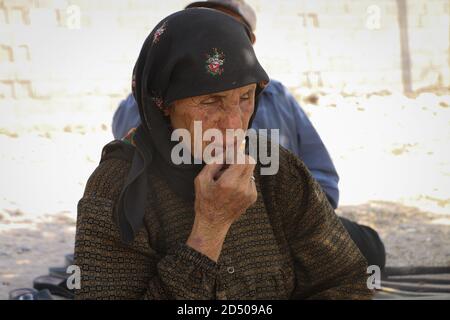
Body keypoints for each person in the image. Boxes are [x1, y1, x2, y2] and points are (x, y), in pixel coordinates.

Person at [74, 8, 372, 299]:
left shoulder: (275, 169)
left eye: (245, 97)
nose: (233, 124)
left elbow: (346, 279)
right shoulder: (115, 188)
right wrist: (210, 226)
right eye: (210, 101)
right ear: (163, 104)